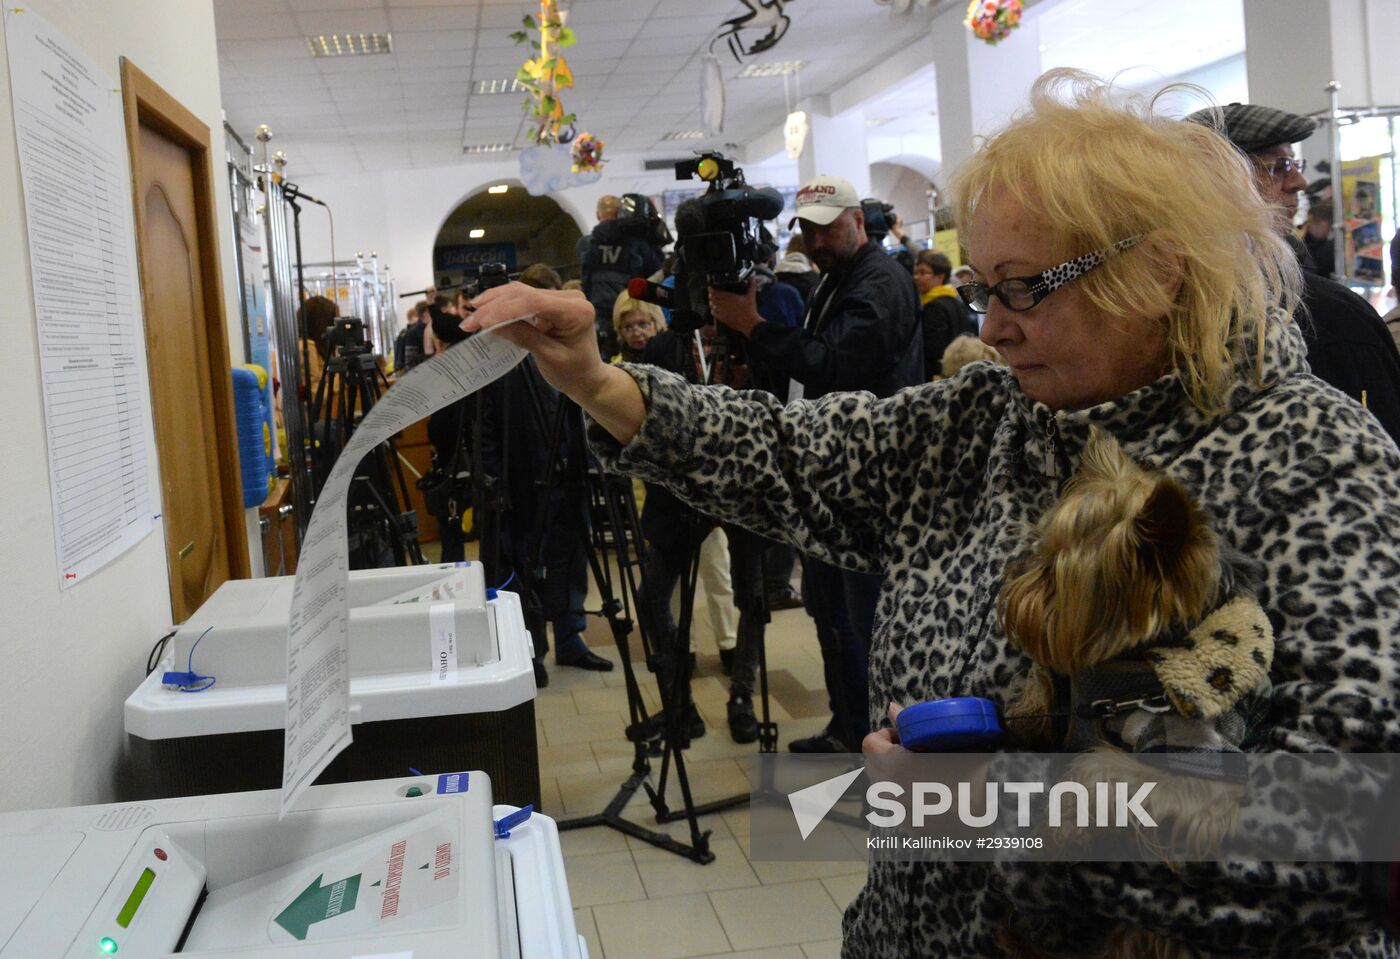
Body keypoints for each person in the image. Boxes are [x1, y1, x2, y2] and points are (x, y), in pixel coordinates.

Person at [462, 70, 1400, 958]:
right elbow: (795, 457)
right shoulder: (995, 418)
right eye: (987, 288)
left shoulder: (1313, 462)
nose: (990, 326)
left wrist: (984, 807)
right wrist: (594, 377)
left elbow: (1345, 826)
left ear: (1156, 272)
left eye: (1023, 288)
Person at [707, 173, 923, 754]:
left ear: (857, 220)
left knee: (863, 617)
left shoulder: (878, 282)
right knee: (829, 611)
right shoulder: (838, 279)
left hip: (871, 479)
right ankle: (848, 725)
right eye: (806, 229)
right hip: (834, 474)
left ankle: (875, 738)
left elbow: (832, 364)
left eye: (827, 228)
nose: (816, 241)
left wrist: (752, 325)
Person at [1186, 101, 1400, 445]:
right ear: (1216, 181)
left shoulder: (1162, 307)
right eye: (1278, 167)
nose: (1299, 181)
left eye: (1293, 163)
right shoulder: (1330, 316)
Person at [476, 263, 612, 686]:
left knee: (569, 559)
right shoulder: (499, 354)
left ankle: (571, 640)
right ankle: (530, 647)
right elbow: (485, 426)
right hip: (520, 478)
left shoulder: (569, 350)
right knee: (523, 565)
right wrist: (494, 481)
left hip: (568, 471)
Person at [577, 193, 666, 358]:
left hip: (600, 317)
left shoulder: (587, 245)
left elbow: (585, 281)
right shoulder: (638, 241)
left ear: (598, 215)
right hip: (634, 315)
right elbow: (656, 275)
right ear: (620, 213)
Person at [913, 249, 977, 379]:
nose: (916, 277)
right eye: (916, 272)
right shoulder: (955, 301)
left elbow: (933, 351)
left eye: (923, 272)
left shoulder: (933, 307)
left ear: (940, 277)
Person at [610, 292, 663, 364]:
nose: (636, 333)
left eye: (643, 324)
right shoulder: (616, 367)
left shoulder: (676, 358)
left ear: (657, 322)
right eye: (628, 327)